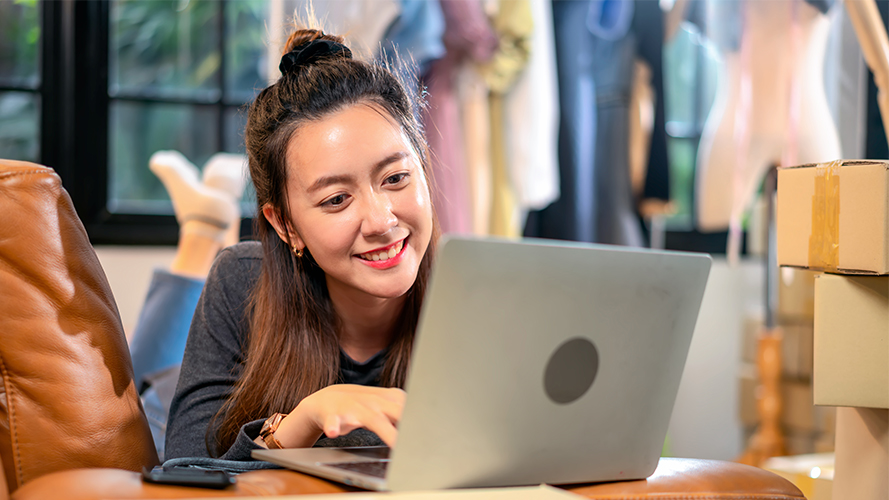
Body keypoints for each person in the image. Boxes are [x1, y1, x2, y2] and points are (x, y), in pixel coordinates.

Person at [164, 27, 439, 462]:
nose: (382, 221)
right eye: (336, 199)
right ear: (286, 225)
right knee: (141, 372)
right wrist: (306, 420)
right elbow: (183, 473)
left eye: (395, 178)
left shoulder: (476, 291)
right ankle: (200, 231)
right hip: (165, 398)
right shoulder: (241, 281)